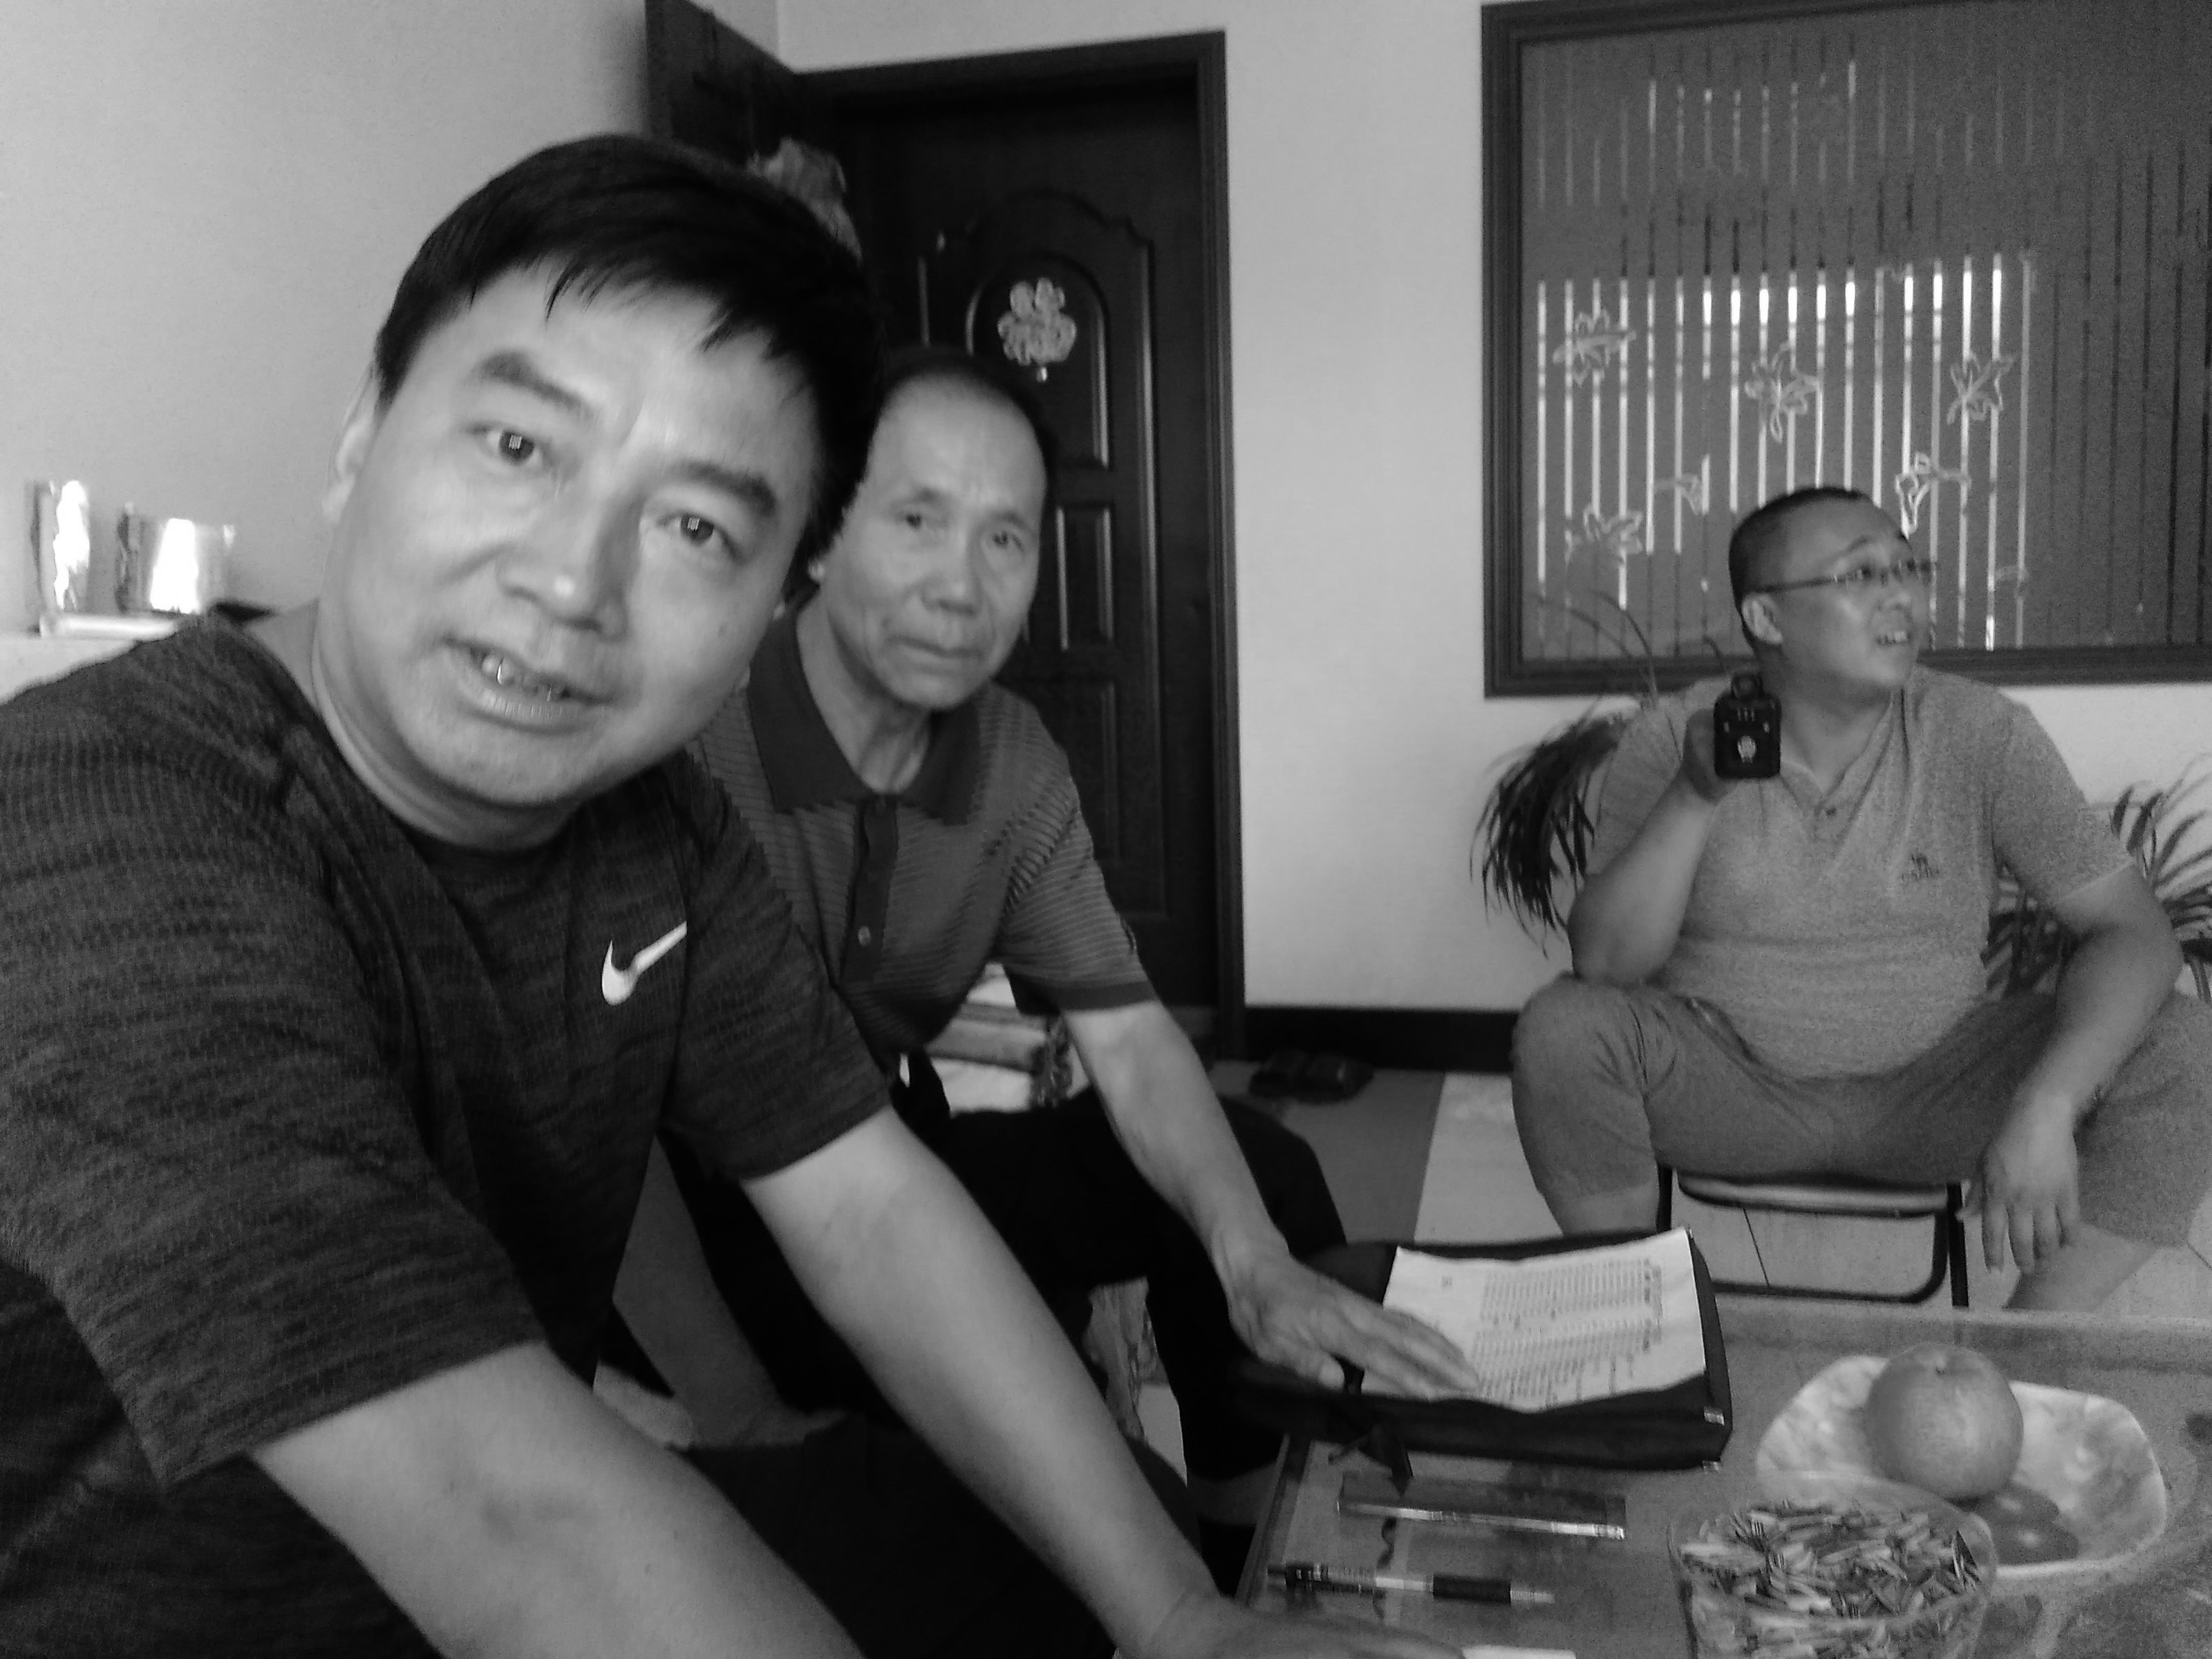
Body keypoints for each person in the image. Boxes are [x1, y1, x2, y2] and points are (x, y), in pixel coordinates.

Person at [0, 135, 1463, 1659]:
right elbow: (516, 1524)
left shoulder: (658, 822)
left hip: (491, 1528)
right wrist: (736, 1408)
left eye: (695, 527)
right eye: (518, 447)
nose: (572, 581)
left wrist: (1179, 1619)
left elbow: (871, 1205)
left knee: (1039, 1569)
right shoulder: (102, 825)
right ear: (363, 433)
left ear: (772, 590)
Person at [616, 345, 1483, 1591]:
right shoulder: (694, 738)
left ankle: (1252, 1562)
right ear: (820, 531)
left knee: (1262, 1179)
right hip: (698, 1224)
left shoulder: (1010, 763)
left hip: (889, 1162)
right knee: (1056, 1532)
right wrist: (737, 1404)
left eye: (1006, 539)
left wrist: (1252, 1266)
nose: (961, 584)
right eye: (918, 519)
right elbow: (607, 1137)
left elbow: (1129, 1040)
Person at [1512, 484, 2212, 1311]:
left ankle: (2032, 1347)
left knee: (2182, 1044)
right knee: (1561, 1029)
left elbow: (2132, 933)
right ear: (1765, 618)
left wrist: (2046, 1101)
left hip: (1937, 1090)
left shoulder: (1977, 733)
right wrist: (1694, 795)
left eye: (1908, 570)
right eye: (1859, 575)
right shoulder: (1674, 736)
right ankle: (1632, 1319)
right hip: (1729, 1091)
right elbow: (1604, 965)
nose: (1901, 596)